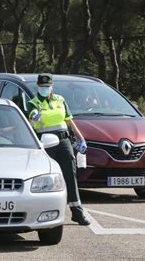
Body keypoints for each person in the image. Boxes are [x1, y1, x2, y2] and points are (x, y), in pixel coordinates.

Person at [27, 73, 91, 225]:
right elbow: (31, 117)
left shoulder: (60, 100)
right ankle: (45, 213)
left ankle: (77, 211)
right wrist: (34, 116)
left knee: (70, 173)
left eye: (47, 87)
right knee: (46, 176)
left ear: (52, 87)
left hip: (63, 140)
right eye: (42, 87)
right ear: (37, 87)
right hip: (45, 142)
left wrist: (81, 138)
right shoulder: (32, 102)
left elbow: (69, 121)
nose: (45, 89)